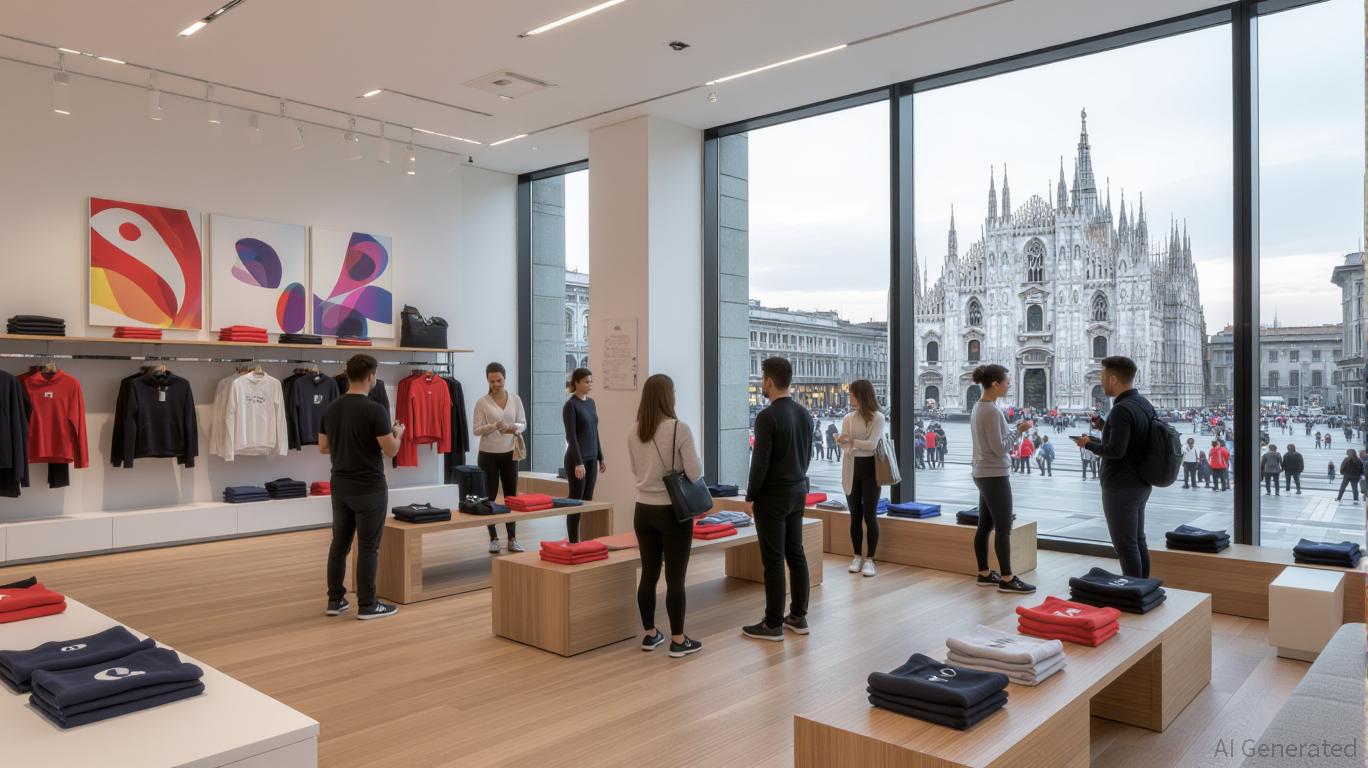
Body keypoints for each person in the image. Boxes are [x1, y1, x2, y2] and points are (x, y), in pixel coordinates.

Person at [319, 354, 404, 620]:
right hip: (369, 487)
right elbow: (390, 450)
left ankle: (335, 600)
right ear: (370, 376)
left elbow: (323, 447)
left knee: (339, 545)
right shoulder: (375, 410)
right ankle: (368, 605)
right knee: (368, 546)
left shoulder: (331, 408)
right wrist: (398, 434)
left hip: (340, 486)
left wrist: (348, 444)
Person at [629, 374, 703, 658]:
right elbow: (694, 473)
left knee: (648, 574)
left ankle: (650, 634)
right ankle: (678, 640)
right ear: (667, 396)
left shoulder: (634, 431)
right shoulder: (678, 429)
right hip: (673, 512)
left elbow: (636, 470)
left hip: (642, 510)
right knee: (675, 578)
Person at [742, 357, 814, 641]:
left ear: (769, 381)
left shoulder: (767, 417)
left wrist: (751, 495)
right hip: (798, 491)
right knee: (796, 553)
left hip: (772, 496)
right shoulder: (804, 414)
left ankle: (772, 623)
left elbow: (759, 463)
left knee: (773, 560)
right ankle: (798, 616)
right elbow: (807, 456)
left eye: (763, 379)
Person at [1073, 356, 1155, 579]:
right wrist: (1104, 426)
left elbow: (1116, 451)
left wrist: (1087, 444)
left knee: (1125, 546)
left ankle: (1133, 590)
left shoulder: (1121, 410)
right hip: (1140, 482)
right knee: (1138, 540)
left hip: (1121, 485)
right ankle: (1143, 586)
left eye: (1103, 376)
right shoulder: (1143, 404)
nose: (1101, 381)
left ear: (1113, 379)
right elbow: (1130, 441)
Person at [969, 364, 1036, 593]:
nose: (1009, 385)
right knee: (1003, 527)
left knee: (985, 525)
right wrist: (1019, 431)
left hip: (983, 471)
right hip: (994, 473)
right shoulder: (991, 411)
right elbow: (999, 448)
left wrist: (1014, 430)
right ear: (995, 384)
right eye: (1007, 382)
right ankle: (1007, 578)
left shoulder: (979, 406)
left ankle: (984, 573)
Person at [473, 362, 526, 554]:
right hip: (488, 455)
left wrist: (513, 428)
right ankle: (493, 538)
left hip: (510, 453)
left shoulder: (515, 399)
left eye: (499, 380)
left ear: (505, 378)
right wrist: (494, 426)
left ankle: (512, 538)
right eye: (492, 381)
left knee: (511, 497)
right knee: (490, 497)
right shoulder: (482, 402)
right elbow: (476, 430)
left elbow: (523, 423)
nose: (496, 384)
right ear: (487, 381)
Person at [837, 379, 884, 578]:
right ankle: (857, 556)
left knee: (870, 515)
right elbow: (844, 444)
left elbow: (872, 445)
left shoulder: (878, 417)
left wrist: (851, 442)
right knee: (855, 515)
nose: (850, 396)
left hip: (871, 470)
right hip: (851, 468)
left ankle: (870, 559)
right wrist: (850, 442)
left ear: (861, 395)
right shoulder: (848, 417)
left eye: (852, 393)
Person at [562, 368, 606, 543]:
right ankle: (574, 541)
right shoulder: (570, 405)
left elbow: (594, 431)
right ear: (576, 383)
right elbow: (571, 437)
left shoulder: (591, 403)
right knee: (575, 502)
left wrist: (600, 457)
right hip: (576, 460)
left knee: (587, 501)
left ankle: (586, 542)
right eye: (586, 381)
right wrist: (578, 463)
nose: (590, 384)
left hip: (591, 458)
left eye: (591, 381)